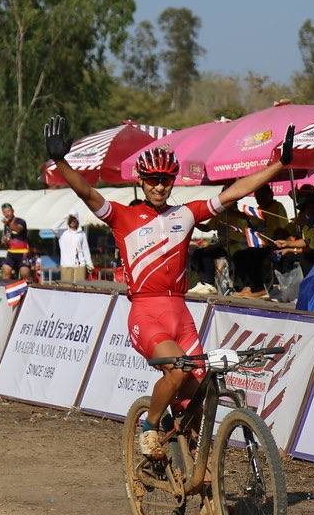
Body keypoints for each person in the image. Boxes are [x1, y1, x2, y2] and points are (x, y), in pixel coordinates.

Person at [44, 114, 295, 458]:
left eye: (166, 180)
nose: (160, 186)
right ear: (143, 181)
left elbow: (237, 190)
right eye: (152, 180)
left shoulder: (187, 214)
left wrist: (280, 163)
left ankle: (198, 477)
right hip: (146, 314)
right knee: (177, 369)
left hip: (181, 314)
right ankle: (150, 427)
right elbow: (87, 192)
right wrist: (60, 162)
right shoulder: (122, 216)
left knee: (198, 391)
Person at [231, 184, 291, 298]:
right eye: (257, 196)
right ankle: (246, 286)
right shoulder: (259, 210)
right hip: (261, 246)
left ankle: (258, 288)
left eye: (262, 195)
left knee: (254, 257)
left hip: (274, 245)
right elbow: (247, 217)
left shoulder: (276, 207)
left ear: (271, 194)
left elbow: (278, 230)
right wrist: (229, 210)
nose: (259, 198)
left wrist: (272, 247)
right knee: (239, 255)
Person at [273, 190, 314, 276]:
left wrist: (289, 250)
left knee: (302, 259)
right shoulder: (307, 224)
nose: (311, 210)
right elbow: (306, 241)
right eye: (308, 208)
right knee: (281, 256)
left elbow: (312, 250)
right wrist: (287, 243)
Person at [53, 212, 94, 282]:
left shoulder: (82, 234)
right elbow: (54, 228)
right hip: (66, 265)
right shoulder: (62, 233)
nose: (72, 222)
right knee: (67, 288)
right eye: (71, 220)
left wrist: (89, 264)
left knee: (80, 288)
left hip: (80, 265)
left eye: (74, 220)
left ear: (77, 221)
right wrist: (66, 216)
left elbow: (85, 249)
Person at [0, 203, 31, 281]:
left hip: (23, 253)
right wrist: (4, 242)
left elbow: (18, 229)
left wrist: (8, 223)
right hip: (11, 252)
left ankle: (29, 289)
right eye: (4, 212)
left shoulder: (20, 221)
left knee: (24, 273)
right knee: (5, 270)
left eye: (8, 211)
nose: (7, 214)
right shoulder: (6, 225)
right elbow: (6, 237)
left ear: (13, 211)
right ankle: (6, 290)